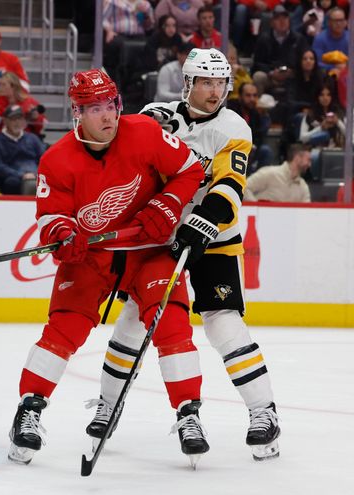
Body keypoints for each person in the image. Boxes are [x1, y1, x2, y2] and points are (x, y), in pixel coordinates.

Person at [8, 69, 206, 467]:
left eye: (111, 106)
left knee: (171, 326)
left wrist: (167, 204)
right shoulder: (56, 159)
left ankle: (189, 414)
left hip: (149, 251)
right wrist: (64, 234)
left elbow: (191, 169)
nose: (107, 117)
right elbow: (51, 217)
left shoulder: (146, 133)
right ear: (77, 112)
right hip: (92, 258)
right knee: (64, 329)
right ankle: (28, 410)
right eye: (95, 108)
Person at [90, 49, 282, 462]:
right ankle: (109, 404)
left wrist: (202, 221)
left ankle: (263, 412)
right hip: (161, 238)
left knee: (223, 324)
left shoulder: (234, 127)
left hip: (215, 238)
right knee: (134, 322)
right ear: (188, 85)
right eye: (206, 83)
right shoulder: (156, 115)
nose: (215, 92)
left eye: (220, 83)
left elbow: (229, 187)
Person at [0, 105, 46, 195]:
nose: (17, 122)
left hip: (36, 174)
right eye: (13, 119)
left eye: (19, 119)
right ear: (5, 121)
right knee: (11, 183)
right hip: (14, 178)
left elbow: (45, 159)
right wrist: (20, 175)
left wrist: (36, 173)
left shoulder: (33, 139)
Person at [227, 82, 273, 172]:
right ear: (240, 96)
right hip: (233, 147)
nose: (252, 99)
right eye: (248, 95)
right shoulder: (231, 109)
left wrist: (264, 115)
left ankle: (257, 182)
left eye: (254, 95)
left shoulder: (255, 112)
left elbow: (259, 135)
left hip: (250, 148)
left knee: (266, 151)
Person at [0, 72, 46, 138]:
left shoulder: (29, 102)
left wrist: (36, 118)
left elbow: (41, 126)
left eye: (3, 85)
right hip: (3, 140)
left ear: (13, 86)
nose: (0, 87)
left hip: (26, 140)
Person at [244, 143, 312, 202]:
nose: (309, 165)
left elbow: (306, 212)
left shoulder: (303, 187)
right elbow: (244, 188)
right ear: (297, 158)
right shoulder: (269, 174)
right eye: (308, 160)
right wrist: (257, 209)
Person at [312, 7, 350, 71]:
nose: (338, 23)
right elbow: (316, 63)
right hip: (326, 75)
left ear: (345, 22)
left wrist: (346, 66)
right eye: (335, 20)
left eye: (341, 20)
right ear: (329, 22)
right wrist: (333, 67)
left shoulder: (351, 38)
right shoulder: (320, 39)